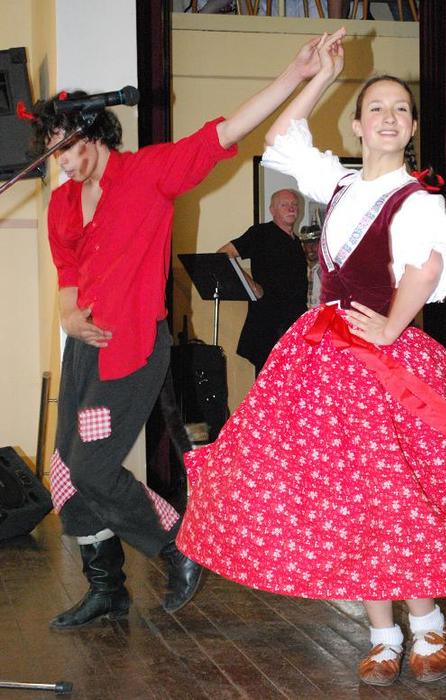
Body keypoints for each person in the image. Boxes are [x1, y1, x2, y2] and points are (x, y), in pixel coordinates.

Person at [176, 29, 446, 687]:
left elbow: (426, 266)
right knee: (352, 496)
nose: (389, 117)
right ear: (357, 126)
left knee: (393, 491)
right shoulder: (336, 183)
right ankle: (382, 634)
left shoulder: (416, 197)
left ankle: (426, 625)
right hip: (323, 362)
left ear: (411, 127)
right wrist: (321, 77)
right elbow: (284, 133)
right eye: (376, 108)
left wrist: (391, 328)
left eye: (401, 109)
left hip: (383, 364)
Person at [29, 32, 340, 631]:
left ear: (93, 131)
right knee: (66, 472)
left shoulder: (147, 173)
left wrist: (297, 74)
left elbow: (225, 133)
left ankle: (178, 545)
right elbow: (68, 273)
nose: (60, 161)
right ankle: (107, 588)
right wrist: (67, 314)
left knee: (91, 467)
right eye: (50, 150)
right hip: (83, 354)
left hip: (130, 351)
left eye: (64, 145)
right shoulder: (63, 203)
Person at [218, 189, 307, 375]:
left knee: (292, 381)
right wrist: (250, 285)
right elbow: (224, 254)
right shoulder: (261, 233)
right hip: (269, 325)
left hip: (294, 324)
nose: (291, 208)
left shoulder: (296, 242)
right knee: (268, 382)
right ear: (272, 210)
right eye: (284, 205)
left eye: (294, 204)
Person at [298, 222, 322, 308]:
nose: (311, 248)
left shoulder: (325, 270)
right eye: (307, 244)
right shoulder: (300, 269)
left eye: (314, 243)